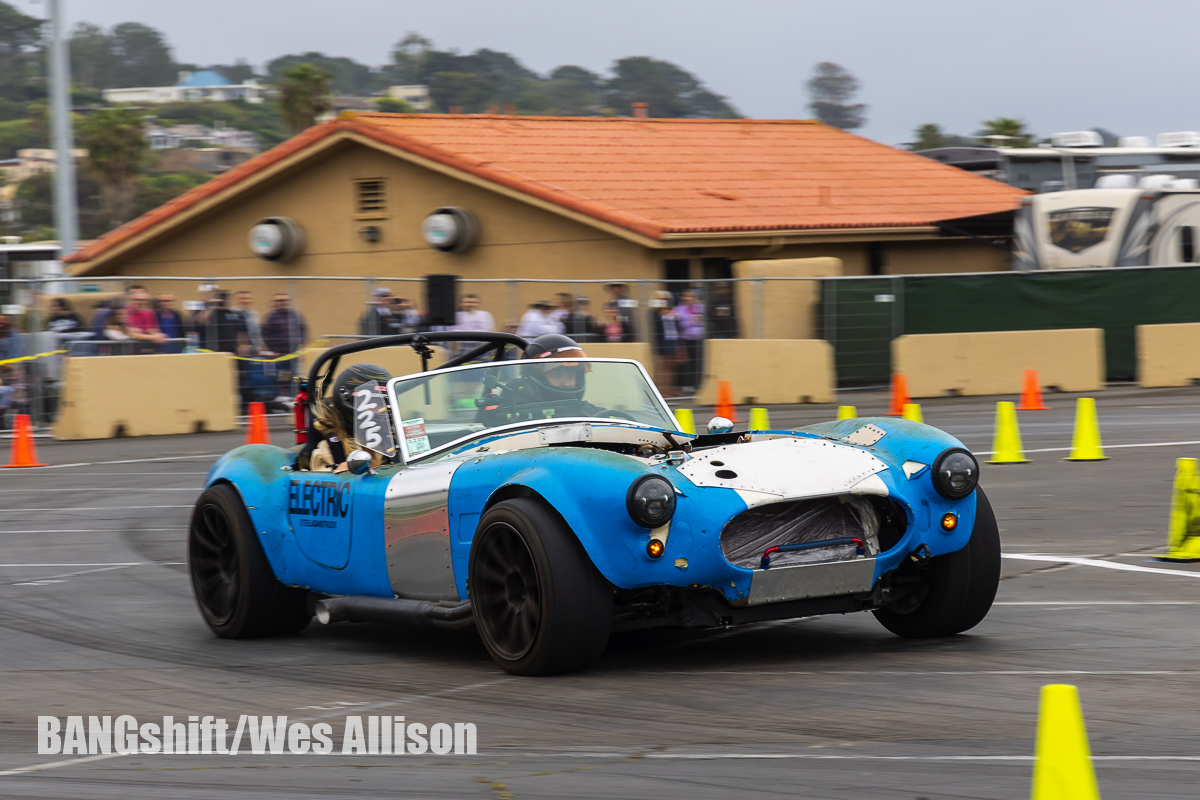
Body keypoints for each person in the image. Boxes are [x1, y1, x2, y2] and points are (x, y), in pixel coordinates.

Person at [476, 334, 597, 426]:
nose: (566, 383)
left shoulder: (588, 411)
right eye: (558, 375)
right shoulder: (512, 416)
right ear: (537, 376)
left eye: (570, 376)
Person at [306, 363, 394, 472]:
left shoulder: (393, 440)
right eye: (373, 404)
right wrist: (345, 474)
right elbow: (319, 483)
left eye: (384, 402)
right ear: (350, 402)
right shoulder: (328, 449)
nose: (381, 409)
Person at [649, 290, 682, 395]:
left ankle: (670, 388)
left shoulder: (671, 311)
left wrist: (674, 317)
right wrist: (661, 314)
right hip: (662, 341)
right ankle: (662, 389)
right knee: (663, 366)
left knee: (671, 366)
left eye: (666, 299)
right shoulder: (654, 313)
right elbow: (655, 326)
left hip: (672, 340)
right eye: (662, 299)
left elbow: (678, 326)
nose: (664, 302)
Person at [675, 289, 706, 394]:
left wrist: (695, 321)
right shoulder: (678, 309)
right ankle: (685, 385)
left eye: (692, 297)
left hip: (698, 338)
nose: (690, 299)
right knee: (686, 362)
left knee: (698, 362)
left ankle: (696, 384)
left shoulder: (700, 308)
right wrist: (689, 321)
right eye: (687, 297)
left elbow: (703, 321)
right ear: (683, 298)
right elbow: (679, 325)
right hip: (685, 339)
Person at [124, 285, 167, 351]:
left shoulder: (149, 313)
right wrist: (153, 337)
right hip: (126, 349)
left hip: (144, 348)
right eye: (137, 300)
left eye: (144, 300)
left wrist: (157, 335)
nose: (141, 302)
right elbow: (128, 333)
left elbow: (152, 330)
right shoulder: (124, 311)